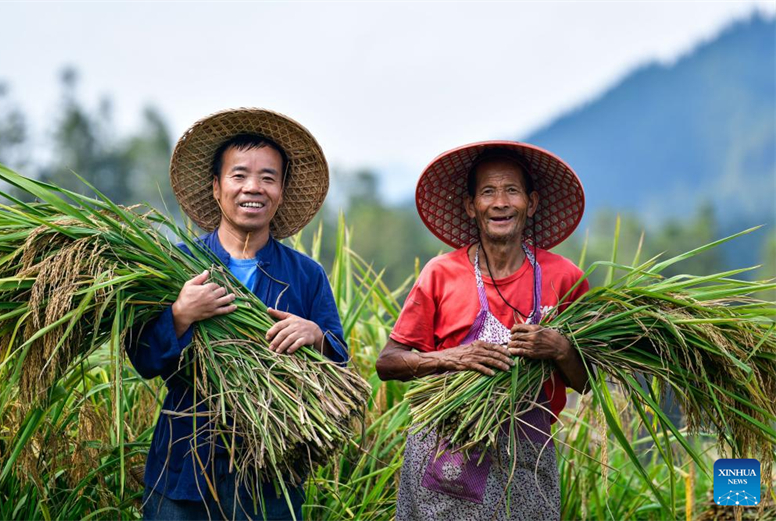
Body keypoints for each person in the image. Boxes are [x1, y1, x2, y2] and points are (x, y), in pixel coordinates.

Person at [126, 108, 347, 520]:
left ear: (281, 191)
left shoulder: (306, 275)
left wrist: (315, 334)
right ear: (216, 187)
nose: (253, 188)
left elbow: (341, 366)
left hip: (270, 472)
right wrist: (179, 314)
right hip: (184, 466)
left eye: (268, 177)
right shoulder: (176, 267)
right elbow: (142, 358)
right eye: (239, 175)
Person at [376, 141, 591, 520]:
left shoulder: (565, 278)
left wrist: (559, 348)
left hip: (526, 461)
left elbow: (586, 382)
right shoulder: (442, 274)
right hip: (446, 454)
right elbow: (388, 363)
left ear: (533, 202)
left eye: (511, 190)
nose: (500, 202)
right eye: (488, 192)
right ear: (470, 206)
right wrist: (453, 357)